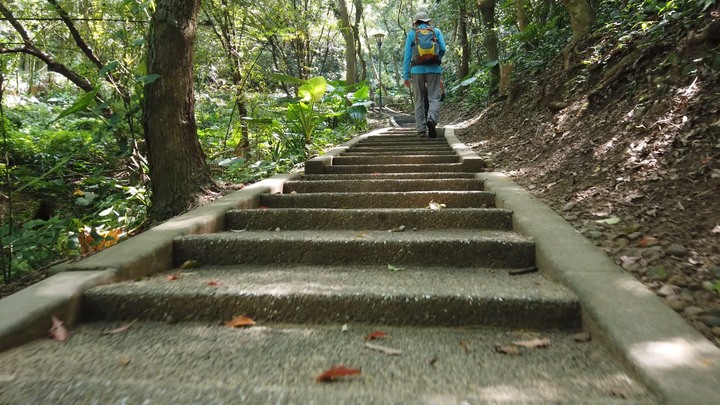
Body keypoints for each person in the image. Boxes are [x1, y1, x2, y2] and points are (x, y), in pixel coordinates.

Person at [403, 11, 446, 138]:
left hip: (417, 70)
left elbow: (407, 56)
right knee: (433, 98)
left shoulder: (412, 34)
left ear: (415, 22)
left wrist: (406, 76)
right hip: (434, 69)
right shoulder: (436, 31)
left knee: (419, 100)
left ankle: (421, 129)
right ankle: (431, 119)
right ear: (428, 21)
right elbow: (443, 49)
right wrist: (436, 59)